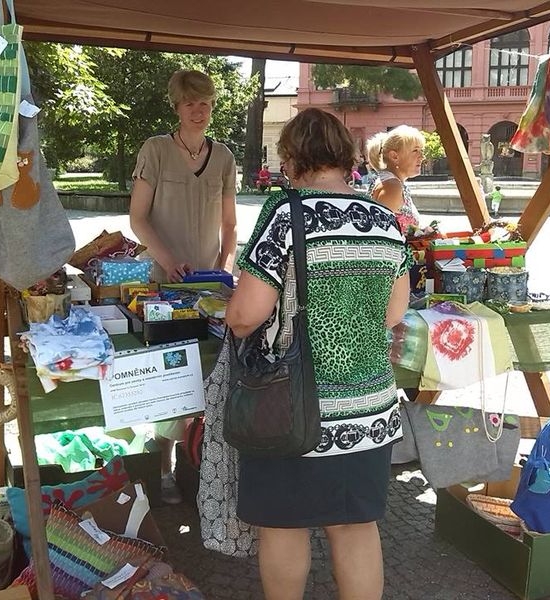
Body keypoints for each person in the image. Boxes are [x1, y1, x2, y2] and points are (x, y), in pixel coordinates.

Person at [226, 108, 411, 600]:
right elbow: (394, 312)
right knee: (355, 528)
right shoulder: (384, 220)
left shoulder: (286, 213)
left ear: (291, 158)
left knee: (284, 528)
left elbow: (246, 313)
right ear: (346, 158)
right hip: (370, 409)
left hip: (292, 410)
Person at [129, 69, 237, 504]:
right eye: (191, 103)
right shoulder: (155, 150)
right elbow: (137, 218)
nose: (200, 111)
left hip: (209, 289)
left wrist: (223, 268)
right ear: (176, 107)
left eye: (206, 103)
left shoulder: (225, 155)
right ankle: (160, 468)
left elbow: (230, 225)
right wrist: (169, 262)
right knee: (168, 378)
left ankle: (198, 464)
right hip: (162, 287)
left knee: (209, 375)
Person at [365, 125, 425, 236]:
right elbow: (382, 235)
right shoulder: (392, 187)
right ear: (394, 156)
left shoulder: (390, 182)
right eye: (415, 150)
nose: (422, 157)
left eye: (421, 151)